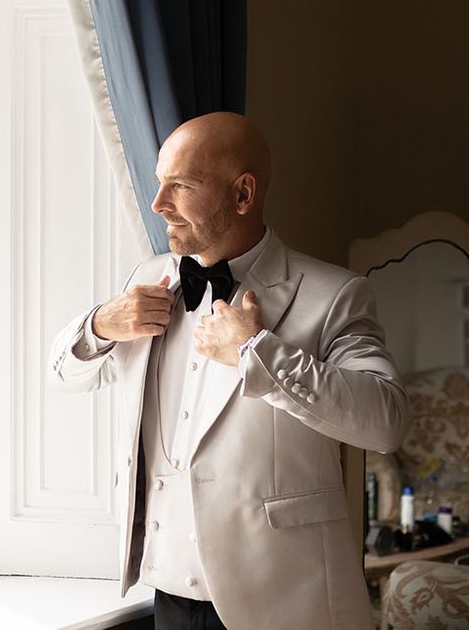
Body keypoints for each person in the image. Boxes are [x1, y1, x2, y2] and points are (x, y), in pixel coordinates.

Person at [47, 112, 410, 629]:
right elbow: (62, 375)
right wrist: (101, 325)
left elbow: (387, 421)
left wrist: (257, 352)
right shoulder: (149, 280)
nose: (159, 205)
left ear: (242, 195)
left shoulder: (332, 296)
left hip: (286, 607)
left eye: (181, 186)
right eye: (159, 183)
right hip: (168, 597)